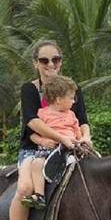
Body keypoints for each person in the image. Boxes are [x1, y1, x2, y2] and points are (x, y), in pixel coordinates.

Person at [0, 40, 92, 220]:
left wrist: (86, 138)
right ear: (35, 63)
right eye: (44, 60)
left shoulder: (72, 88)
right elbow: (32, 121)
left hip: (70, 146)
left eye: (55, 60)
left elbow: (82, 120)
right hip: (35, 150)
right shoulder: (29, 90)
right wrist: (61, 138)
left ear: (60, 61)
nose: (51, 65)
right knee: (25, 189)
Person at [23, 75, 84, 209]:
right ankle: (40, 195)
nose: (74, 101)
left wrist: (80, 140)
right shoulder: (42, 114)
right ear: (58, 99)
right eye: (71, 98)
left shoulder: (71, 115)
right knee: (37, 164)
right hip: (49, 150)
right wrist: (42, 140)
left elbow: (77, 129)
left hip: (70, 148)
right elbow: (32, 135)